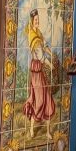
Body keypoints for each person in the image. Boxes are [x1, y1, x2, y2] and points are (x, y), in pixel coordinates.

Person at [23, 9, 55, 139]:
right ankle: (31, 129)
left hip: (40, 72)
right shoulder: (32, 36)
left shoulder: (38, 33)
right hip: (36, 72)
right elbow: (41, 57)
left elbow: (45, 46)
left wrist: (52, 54)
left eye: (38, 19)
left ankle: (47, 131)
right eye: (35, 20)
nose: (37, 21)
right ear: (32, 21)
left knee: (47, 99)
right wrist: (50, 64)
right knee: (39, 101)